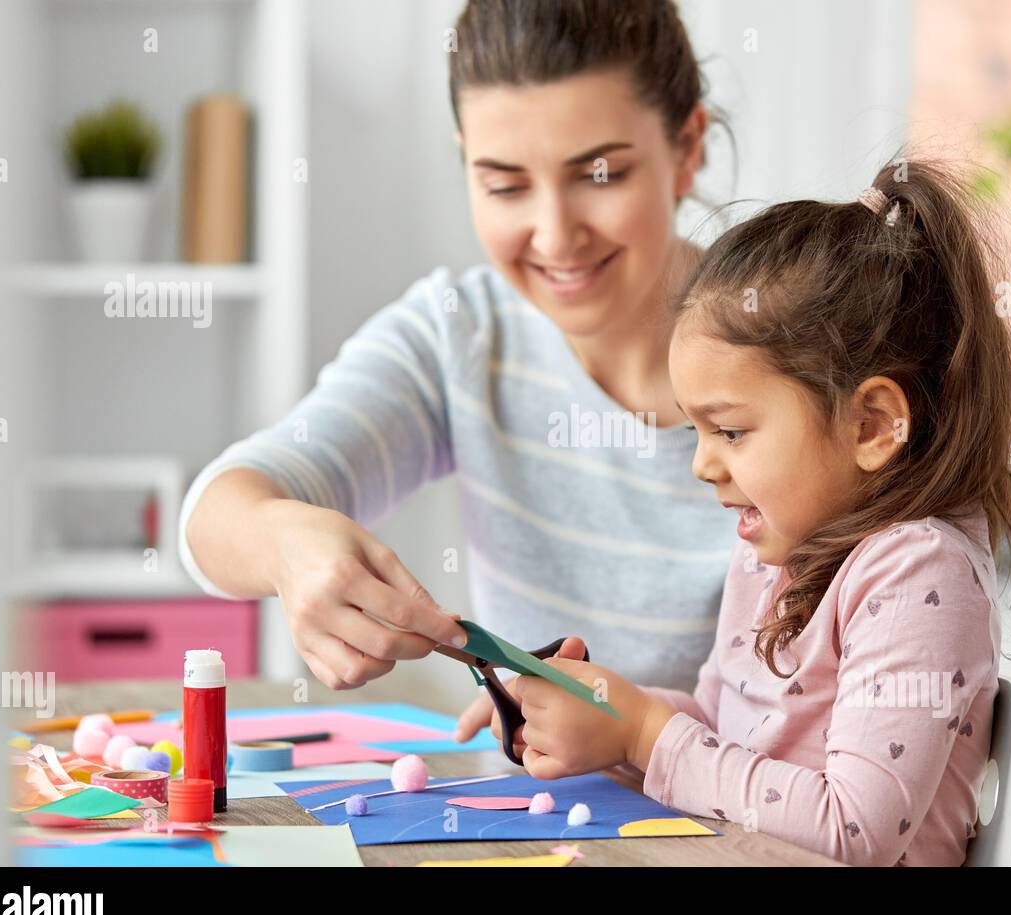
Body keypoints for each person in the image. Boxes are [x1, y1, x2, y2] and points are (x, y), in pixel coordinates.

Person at [178, 0, 737, 740]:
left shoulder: (799, 347)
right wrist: (288, 546)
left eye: (599, 176)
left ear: (687, 146)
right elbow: (212, 517)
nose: (554, 234)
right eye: (505, 184)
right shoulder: (460, 335)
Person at [494, 160, 1011, 865]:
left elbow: (854, 830)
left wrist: (643, 734)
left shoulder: (918, 571)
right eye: (696, 431)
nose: (702, 464)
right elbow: (721, 734)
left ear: (873, 424)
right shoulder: (773, 556)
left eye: (729, 431)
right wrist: (601, 711)